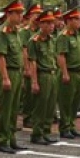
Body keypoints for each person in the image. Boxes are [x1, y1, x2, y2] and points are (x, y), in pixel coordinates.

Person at [0, 0, 26, 153]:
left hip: (17, 72)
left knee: (14, 109)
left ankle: (11, 138)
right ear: (8, 14)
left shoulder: (16, 32)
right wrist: (5, 77)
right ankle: (3, 140)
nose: (20, 16)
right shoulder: (2, 33)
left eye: (21, 13)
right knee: (5, 109)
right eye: (17, 13)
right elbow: (0, 57)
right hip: (8, 72)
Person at [28, 10, 60, 144]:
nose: (51, 26)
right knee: (40, 106)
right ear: (41, 24)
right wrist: (34, 81)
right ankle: (37, 133)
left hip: (52, 74)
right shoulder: (34, 41)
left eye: (52, 23)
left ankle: (46, 131)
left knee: (50, 106)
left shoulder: (52, 40)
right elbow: (33, 62)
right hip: (42, 75)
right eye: (48, 23)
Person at [55, 8, 80, 139]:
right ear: (68, 20)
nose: (79, 21)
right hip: (69, 72)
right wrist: (65, 73)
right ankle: (65, 127)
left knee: (75, 103)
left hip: (78, 72)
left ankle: (71, 126)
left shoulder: (76, 35)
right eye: (76, 19)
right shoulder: (64, 36)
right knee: (66, 103)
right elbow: (61, 56)